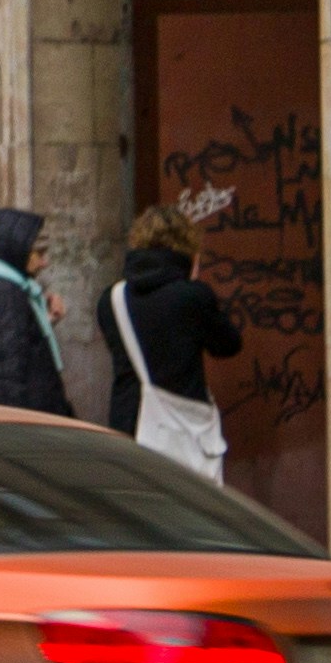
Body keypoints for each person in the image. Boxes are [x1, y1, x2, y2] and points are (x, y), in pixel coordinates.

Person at [107, 203, 245, 481]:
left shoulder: (112, 299)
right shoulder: (191, 297)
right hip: (184, 429)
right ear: (187, 250)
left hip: (129, 425)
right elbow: (228, 345)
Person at [0, 205, 73, 417]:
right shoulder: (1, 294)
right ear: (15, 248)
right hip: (27, 434)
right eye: (38, 252)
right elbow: (5, 380)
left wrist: (43, 322)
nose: (44, 262)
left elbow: (9, 348)